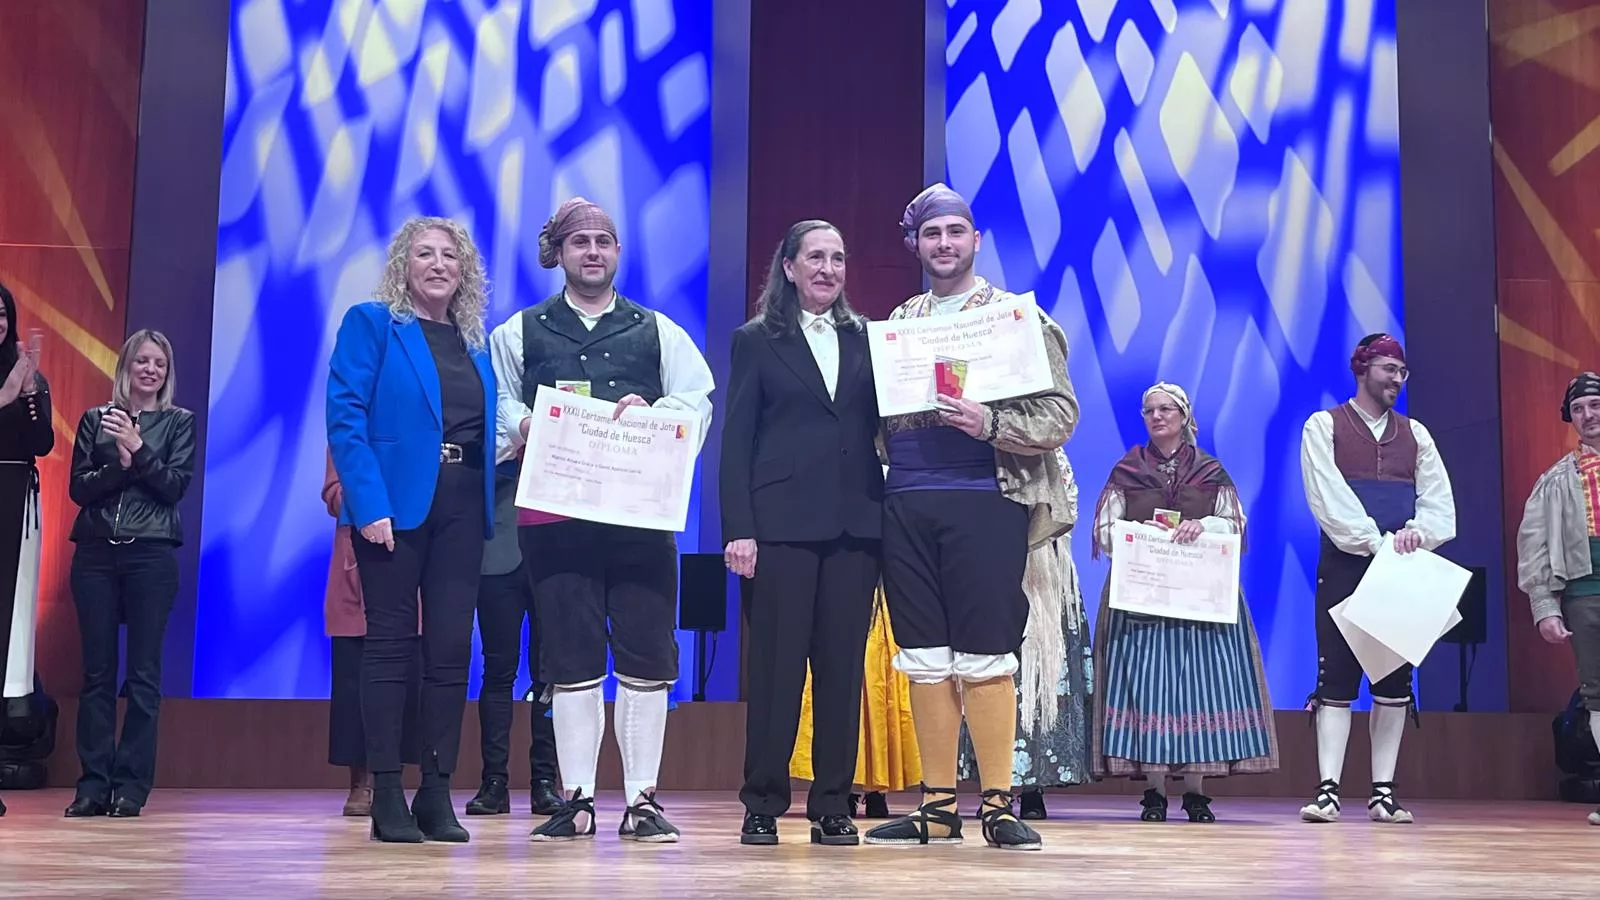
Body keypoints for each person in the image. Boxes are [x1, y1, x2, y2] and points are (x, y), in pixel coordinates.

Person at [491, 197, 713, 843]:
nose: (593, 251)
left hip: (640, 522)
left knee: (647, 656)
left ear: (618, 252)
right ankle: (579, 799)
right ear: (558, 253)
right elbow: (499, 397)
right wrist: (525, 424)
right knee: (570, 659)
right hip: (555, 520)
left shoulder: (658, 330)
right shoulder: (521, 331)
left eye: (604, 241)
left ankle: (642, 798)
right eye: (580, 241)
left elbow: (696, 398)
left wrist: (658, 413)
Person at [862, 184, 1077, 852]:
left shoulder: (1014, 319)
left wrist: (989, 421)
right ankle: (934, 807)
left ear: (976, 240)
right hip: (910, 503)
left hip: (988, 500)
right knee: (924, 656)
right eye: (932, 234)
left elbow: (1059, 414)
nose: (945, 244)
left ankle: (994, 803)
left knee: (985, 654)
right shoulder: (901, 320)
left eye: (956, 232)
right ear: (915, 244)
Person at [327, 216, 497, 843]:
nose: (437, 264)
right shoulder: (372, 323)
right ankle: (386, 794)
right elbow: (344, 414)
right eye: (423, 253)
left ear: (464, 269)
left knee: (451, 654)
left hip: (461, 507)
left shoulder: (473, 342)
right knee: (390, 648)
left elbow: (486, 429)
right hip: (392, 509)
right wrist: (367, 504)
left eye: (449, 255)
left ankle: (435, 792)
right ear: (403, 264)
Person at [721, 220, 883, 846]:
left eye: (838, 258)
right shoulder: (757, 341)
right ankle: (762, 802)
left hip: (854, 526)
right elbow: (736, 444)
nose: (827, 268)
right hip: (781, 527)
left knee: (842, 674)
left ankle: (833, 804)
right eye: (815, 257)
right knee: (776, 672)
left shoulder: (870, 339)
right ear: (787, 267)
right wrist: (740, 529)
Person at [1088, 383, 1278, 822]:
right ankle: (1153, 791)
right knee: (1147, 688)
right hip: (1143, 596)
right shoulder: (1128, 469)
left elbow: (1234, 525)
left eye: (1166, 409)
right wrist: (1142, 536)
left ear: (1184, 415)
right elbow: (1103, 531)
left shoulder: (1211, 471)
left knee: (1200, 686)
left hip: (1200, 596)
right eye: (1149, 410)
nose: (1157, 417)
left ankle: (1196, 790)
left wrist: (1202, 526)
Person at [1298, 333, 1455, 824]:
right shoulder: (1324, 425)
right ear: (1362, 369)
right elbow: (1327, 496)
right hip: (1347, 564)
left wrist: (1417, 535)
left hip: (1401, 565)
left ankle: (1383, 791)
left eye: (1402, 372)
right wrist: (1374, 540)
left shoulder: (1417, 434)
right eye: (1389, 369)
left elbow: (1438, 502)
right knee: (1337, 676)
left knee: (1393, 679)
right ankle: (1328, 790)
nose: (1397, 380)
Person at [65, 329, 194, 818]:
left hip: (151, 555)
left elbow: (172, 487)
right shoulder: (96, 419)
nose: (149, 370)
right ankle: (93, 784)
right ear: (125, 367)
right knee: (97, 675)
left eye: (158, 363)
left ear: (166, 372)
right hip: (96, 554)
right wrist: (121, 465)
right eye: (141, 361)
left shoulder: (180, 423)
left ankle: (132, 787)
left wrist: (138, 450)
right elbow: (80, 490)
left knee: (143, 677)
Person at [956, 447, 1093, 819]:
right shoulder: (987, 455)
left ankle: (1035, 786)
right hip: (996, 568)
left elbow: (1067, 510)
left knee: (1045, 681)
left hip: (1046, 575)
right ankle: (995, 784)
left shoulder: (1055, 458)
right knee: (996, 672)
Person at [1515, 371, 1600, 826]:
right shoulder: (1555, 481)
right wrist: (1544, 607)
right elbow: (1534, 547)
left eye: (1595, 405)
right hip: (1585, 590)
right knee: (1597, 693)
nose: (1588, 416)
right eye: (1579, 409)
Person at [320, 449, 421, 817]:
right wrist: (369, 495)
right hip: (356, 559)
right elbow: (332, 493)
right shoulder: (348, 423)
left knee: (407, 679)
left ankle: (393, 781)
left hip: (410, 547)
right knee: (352, 679)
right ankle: (360, 781)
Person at [464, 466, 562, 817]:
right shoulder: (494, 411)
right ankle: (493, 783)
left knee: (549, 675)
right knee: (498, 673)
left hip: (553, 554)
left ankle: (546, 783)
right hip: (497, 553)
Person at [791, 587, 922, 821]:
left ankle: (876, 791)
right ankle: (846, 788)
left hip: (885, 604)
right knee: (848, 695)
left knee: (882, 694)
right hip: (848, 602)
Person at [0, 283, 52, 819]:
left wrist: (31, 393)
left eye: (3, 314)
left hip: (13, 498)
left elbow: (42, 443)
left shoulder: (27, 375)